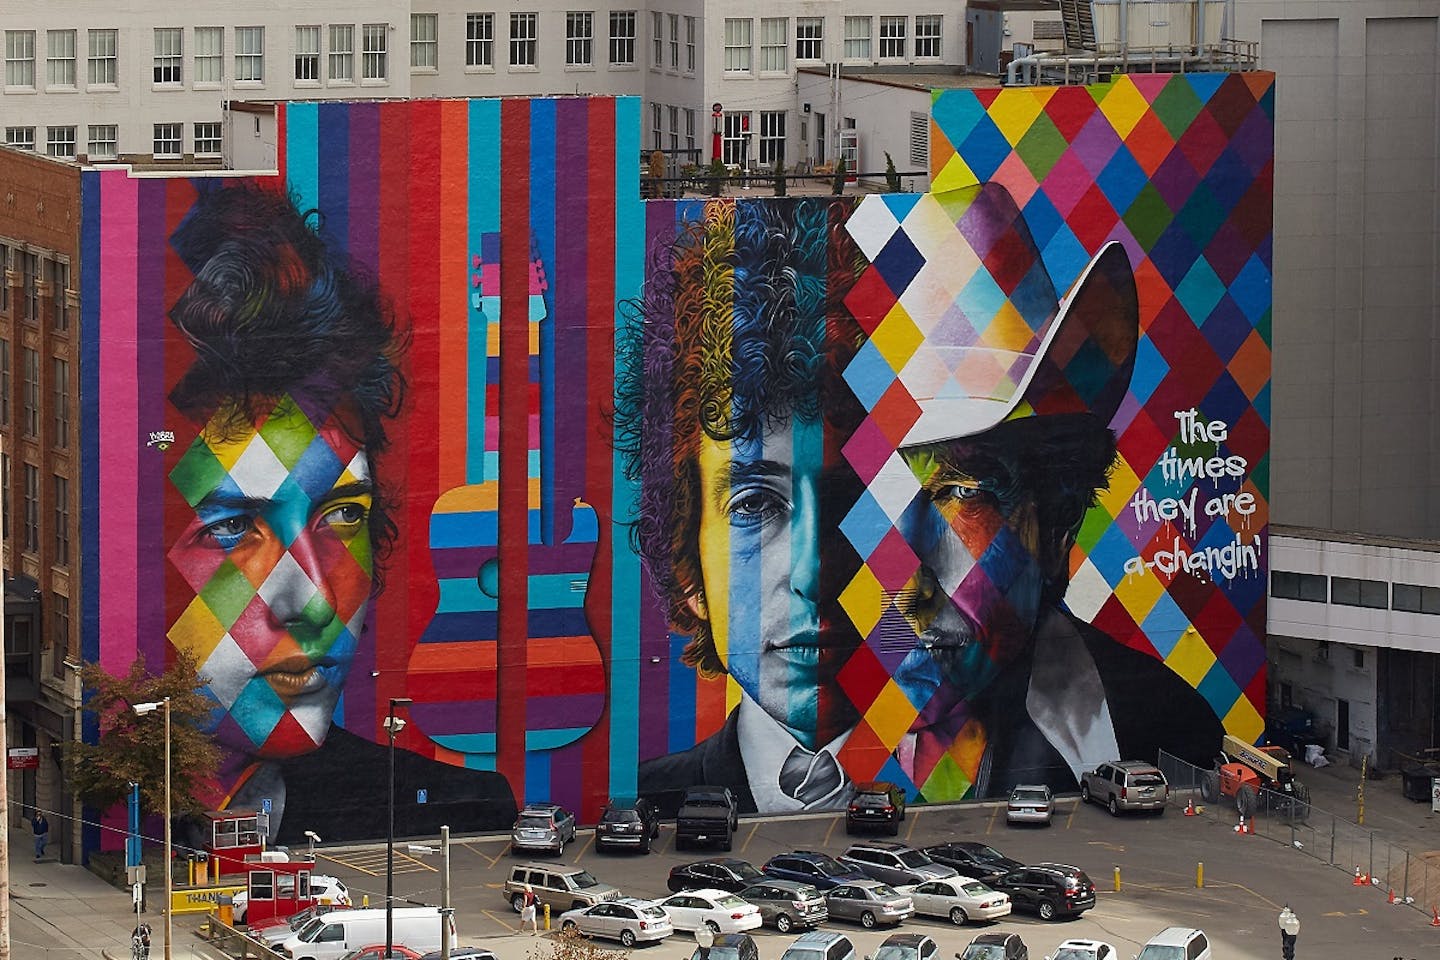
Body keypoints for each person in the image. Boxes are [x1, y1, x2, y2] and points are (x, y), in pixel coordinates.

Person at [836, 183, 1223, 797]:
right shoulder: (817, 722)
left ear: (1057, 522)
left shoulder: (1161, 726)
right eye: (881, 496)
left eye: (958, 491)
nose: (907, 565)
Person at [164, 185, 516, 843]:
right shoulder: (128, 796)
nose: (314, 601)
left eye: (342, 515)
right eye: (235, 527)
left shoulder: (451, 807)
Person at [617, 198, 871, 813]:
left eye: (854, 502)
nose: (814, 572)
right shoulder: (646, 801)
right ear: (687, 567)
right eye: (755, 503)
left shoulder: (986, 774)